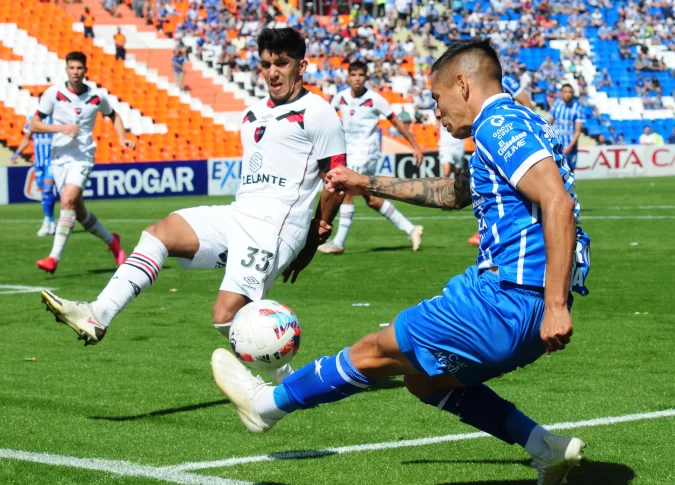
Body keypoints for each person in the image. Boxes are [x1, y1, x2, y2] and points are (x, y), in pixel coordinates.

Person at [210, 37, 591, 485]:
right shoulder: (517, 122)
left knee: (376, 349)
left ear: (463, 84)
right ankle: (545, 447)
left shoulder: (498, 123)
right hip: (523, 303)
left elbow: (557, 204)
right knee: (424, 381)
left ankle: (268, 405)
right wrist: (363, 181)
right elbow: (453, 195)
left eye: (437, 97)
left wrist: (554, 306)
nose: (436, 111)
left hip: (509, 298)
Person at [39, 28, 346, 390]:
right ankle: (98, 314)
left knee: (225, 315)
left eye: (282, 63)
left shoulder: (319, 112)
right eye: (266, 64)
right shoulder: (252, 113)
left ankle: (287, 385)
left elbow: (336, 178)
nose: (273, 72)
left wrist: (315, 233)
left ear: (302, 66)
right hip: (239, 213)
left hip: (276, 227)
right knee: (160, 233)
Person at [32, 52, 134, 274]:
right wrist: (60, 128)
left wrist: (123, 137)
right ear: (66, 69)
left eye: (79, 68)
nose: (75, 72)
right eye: (72, 68)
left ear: (85, 70)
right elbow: (34, 124)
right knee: (78, 212)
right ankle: (112, 241)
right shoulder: (53, 94)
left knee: (67, 200)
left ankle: (53, 258)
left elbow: (114, 115)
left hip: (83, 157)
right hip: (59, 158)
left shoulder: (97, 96)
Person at [317, 61, 424, 255]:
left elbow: (396, 122)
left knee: (345, 189)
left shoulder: (375, 99)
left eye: (361, 75)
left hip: (366, 153)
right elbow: (324, 118)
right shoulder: (340, 98)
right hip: (348, 152)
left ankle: (339, 243)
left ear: (366, 77)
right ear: (348, 77)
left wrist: (414, 145)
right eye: (354, 75)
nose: (357, 79)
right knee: (372, 199)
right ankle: (412, 229)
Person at [468, 72, 535, 246]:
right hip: (487, 136)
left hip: (507, 137)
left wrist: (526, 129)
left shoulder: (506, 81)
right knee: (488, 184)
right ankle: (488, 229)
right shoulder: (475, 83)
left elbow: (526, 102)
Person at [11, 114, 56, 236]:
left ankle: (48, 221)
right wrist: (16, 154)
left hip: (51, 161)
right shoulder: (32, 119)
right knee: (44, 194)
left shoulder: (56, 118)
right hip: (38, 163)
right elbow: (27, 138)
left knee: (47, 191)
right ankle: (51, 221)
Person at [548, 84, 584, 172]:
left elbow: (578, 131)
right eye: (565, 92)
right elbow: (548, 125)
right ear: (561, 93)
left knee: (569, 172)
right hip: (557, 144)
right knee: (556, 172)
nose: (568, 94)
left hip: (570, 145)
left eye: (570, 92)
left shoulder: (578, 108)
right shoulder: (556, 106)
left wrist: (569, 148)